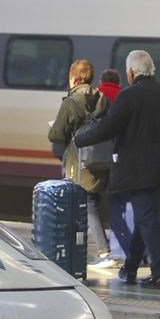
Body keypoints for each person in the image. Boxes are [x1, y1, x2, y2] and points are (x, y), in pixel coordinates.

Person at [74, 50, 160, 291]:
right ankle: (129, 268)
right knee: (145, 218)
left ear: (130, 72)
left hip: (138, 171)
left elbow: (109, 127)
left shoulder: (130, 96)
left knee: (148, 219)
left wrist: (80, 139)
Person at [47, 59, 112, 262]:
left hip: (78, 164)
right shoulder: (104, 100)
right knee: (90, 204)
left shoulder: (71, 102)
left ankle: (103, 251)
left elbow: (57, 134)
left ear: (74, 78)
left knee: (85, 207)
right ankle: (82, 250)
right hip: (100, 162)